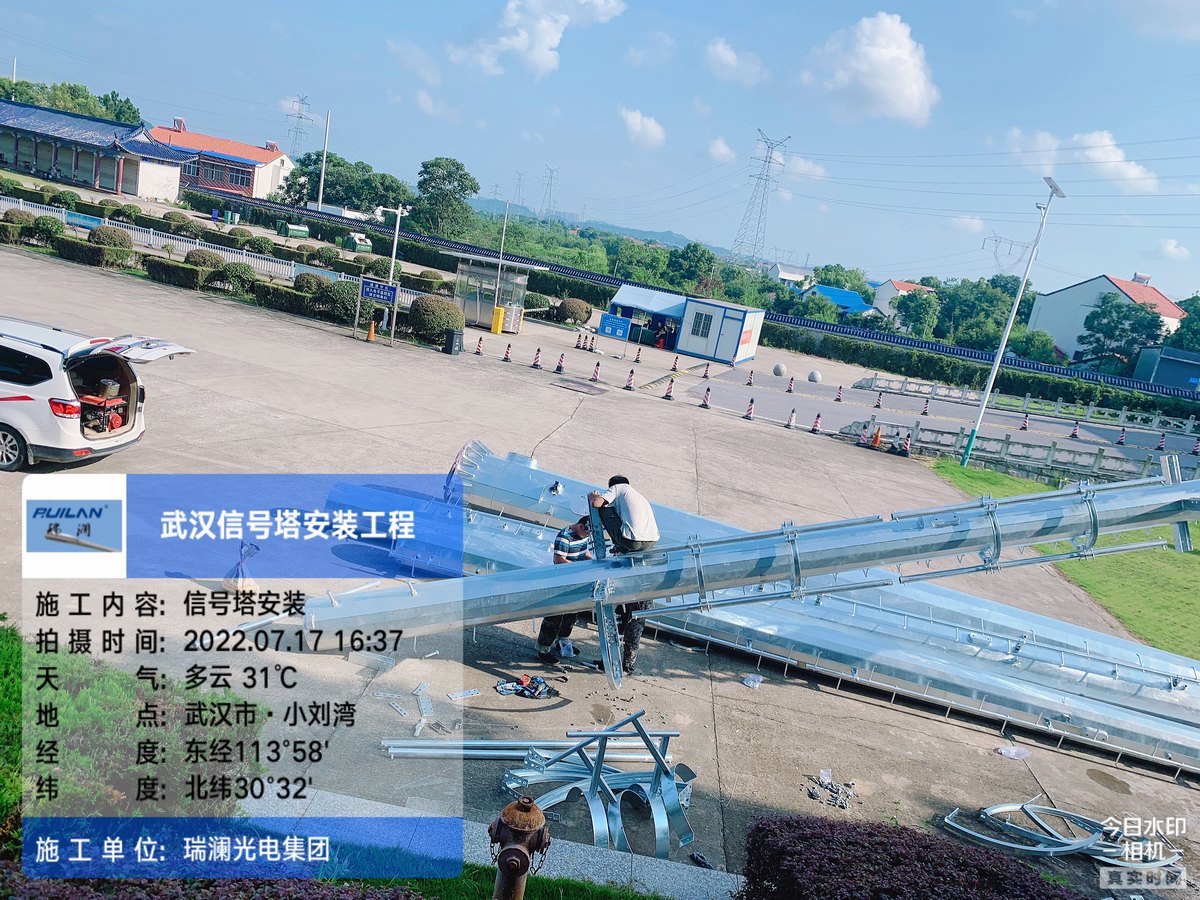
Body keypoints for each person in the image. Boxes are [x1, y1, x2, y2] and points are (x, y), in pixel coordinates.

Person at [589, 476, 661, 675]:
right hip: (649, 544)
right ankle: (627, 664)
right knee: (633, 627)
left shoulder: (618, 488)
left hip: (632, 549)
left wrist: (595, 498)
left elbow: (598, 503)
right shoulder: (639, 498)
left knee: (603, 508)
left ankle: (612, 662)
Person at [535, 516, 593, 665]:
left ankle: (562, 641)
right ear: (581, 526)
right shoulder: (564, 537)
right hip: (562, 582)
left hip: (576, 582)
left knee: (571, 615)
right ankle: (543, 650)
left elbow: (585, 551)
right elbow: (559, 560)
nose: (588, 536)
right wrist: (579, 569)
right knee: (554, 617)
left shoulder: (584, 535)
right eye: (587, 533)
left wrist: (592, 563)